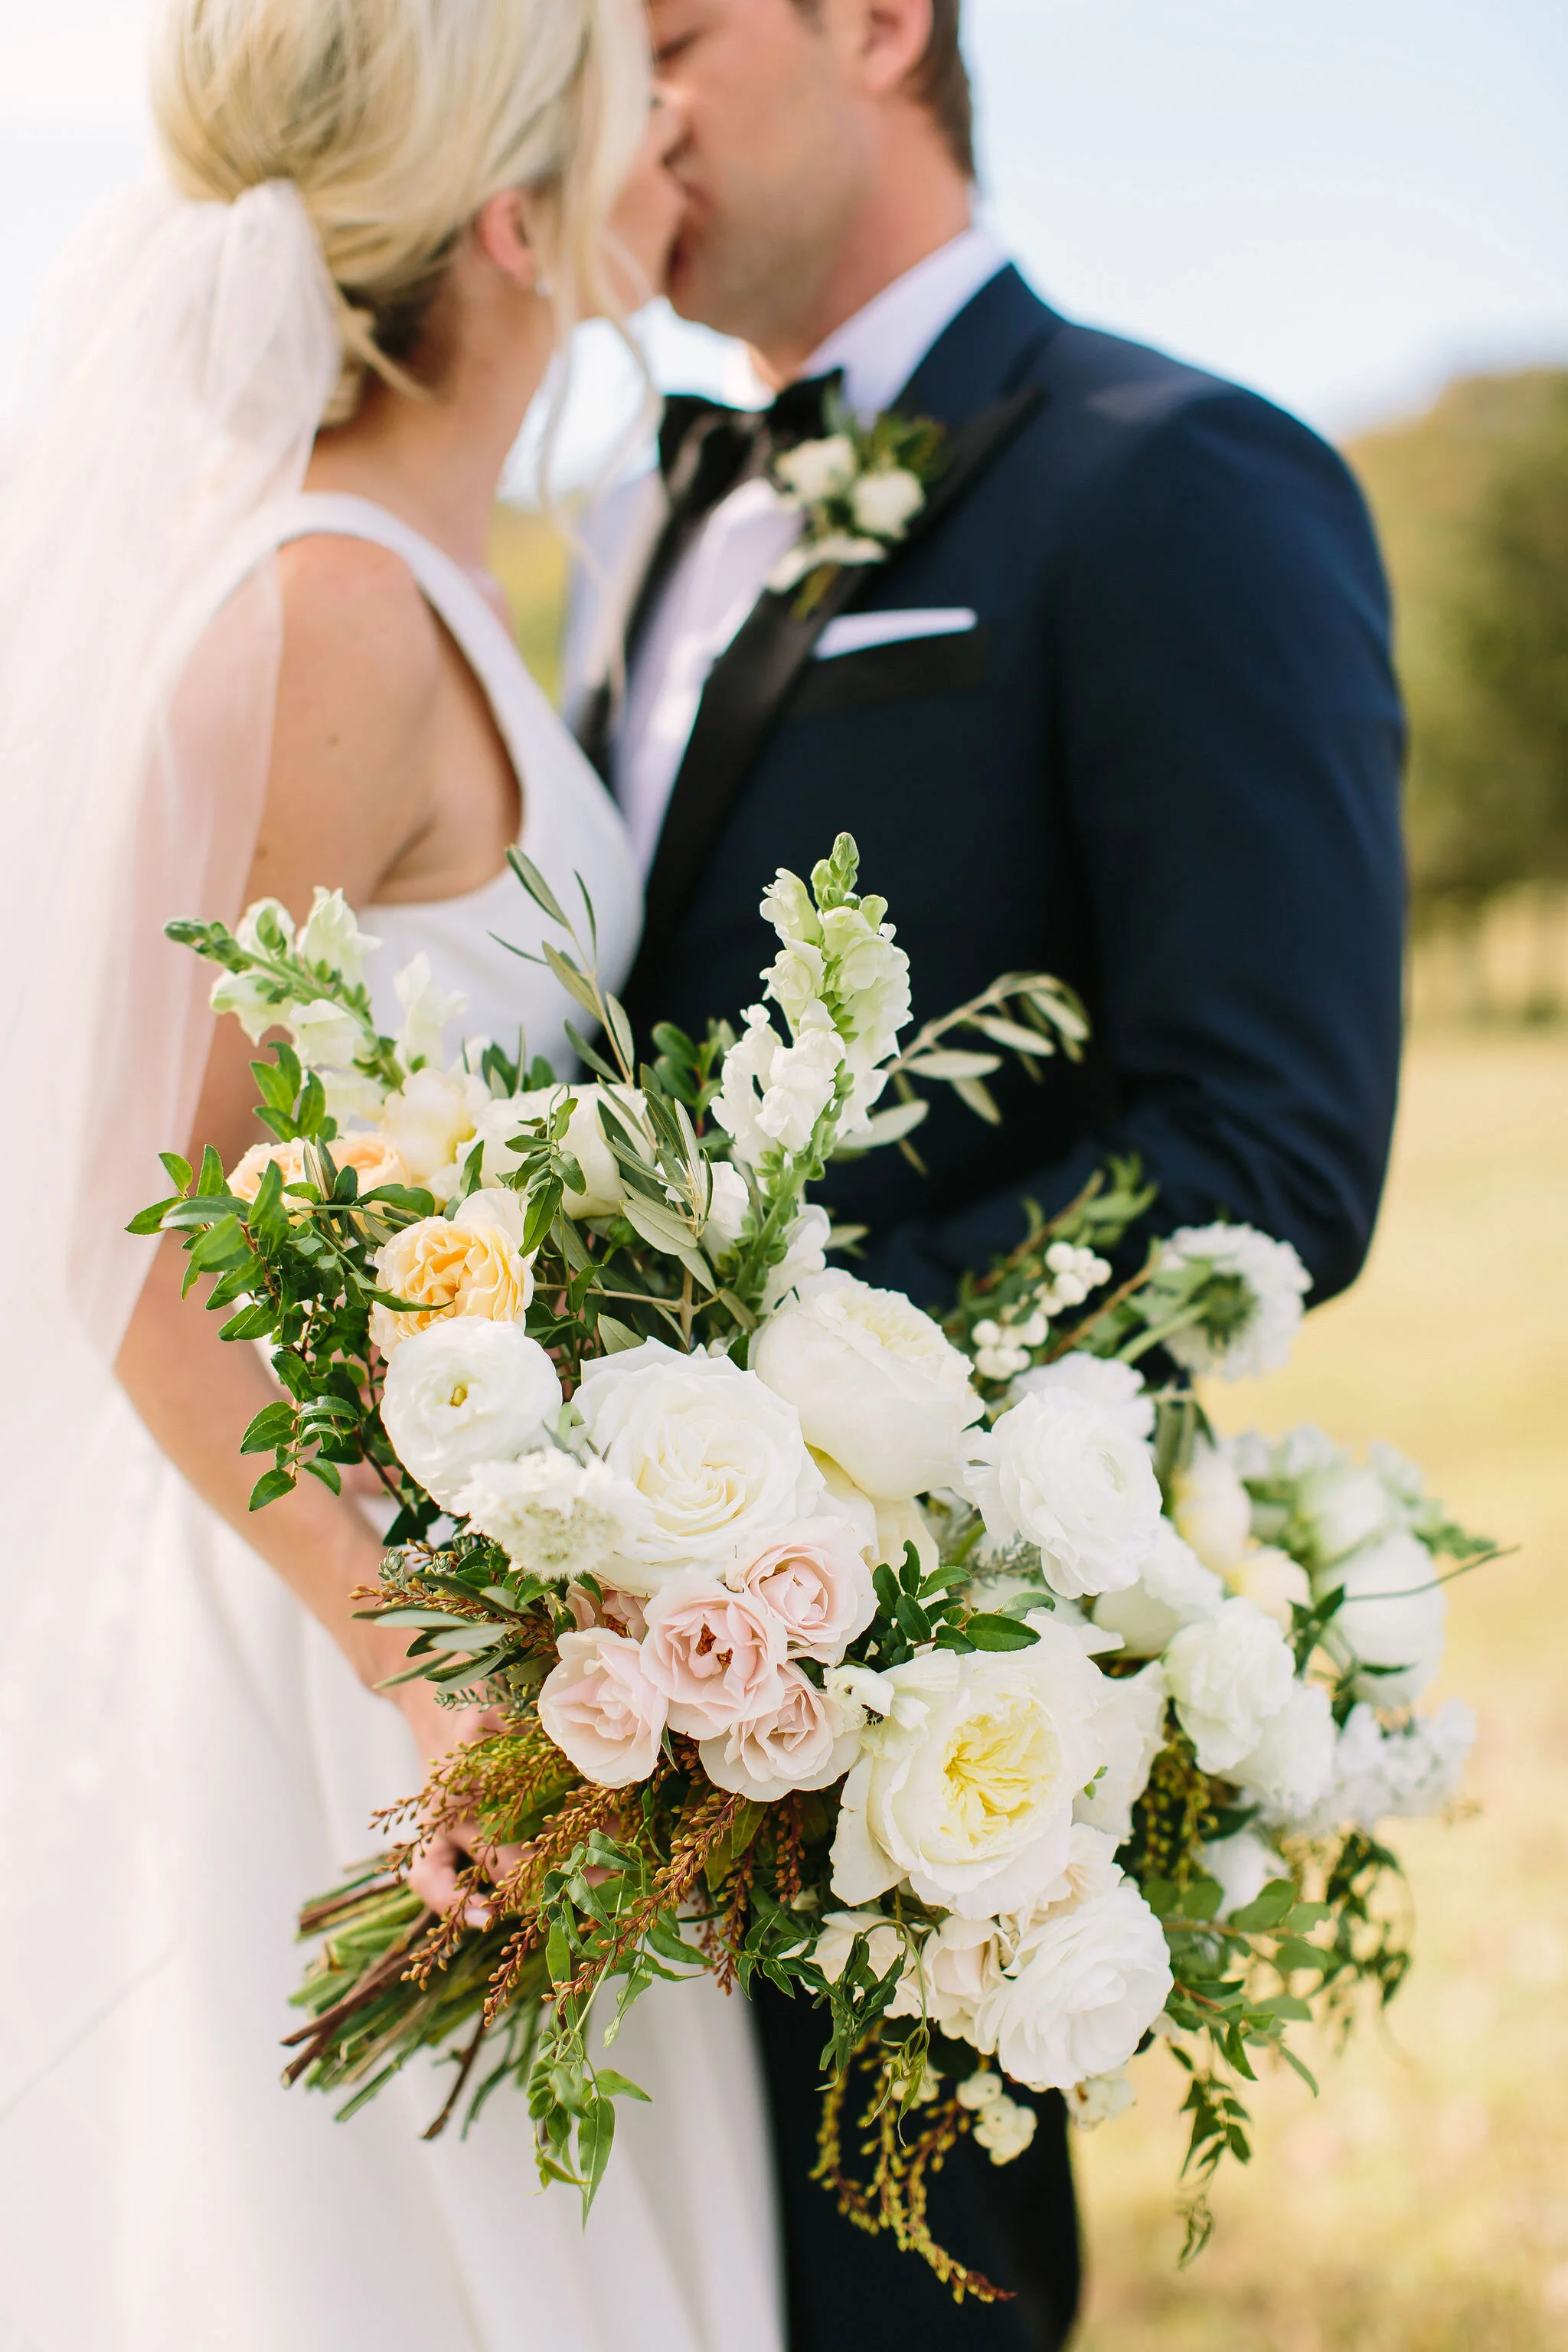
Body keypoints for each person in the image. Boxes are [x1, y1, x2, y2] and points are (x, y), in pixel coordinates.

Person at [565, 1, 1406, 2344]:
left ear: (874, 21)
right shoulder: (628, 511)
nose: (618, 116)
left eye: (669, 39)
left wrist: (778, 1476)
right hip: (578, 1687)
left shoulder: (1181, 474)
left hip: (920, 1687)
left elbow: (1265, 1146)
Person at [0, 4, 784, 2347]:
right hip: (345, 1647)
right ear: (521, 221)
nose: (669, 114)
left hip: (482, 1616)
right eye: (611, 97)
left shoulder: (436, 578)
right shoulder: (320, 610)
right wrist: (434, 1671)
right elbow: (129, 1242)